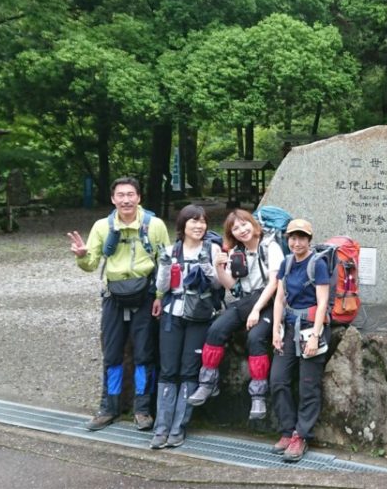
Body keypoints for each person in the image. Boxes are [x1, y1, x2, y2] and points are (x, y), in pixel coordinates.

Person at [67, 177, 170, 431]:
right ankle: (108, 408)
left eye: (130, 194)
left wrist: (160, 296)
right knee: (112, 354)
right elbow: (91, 264)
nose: (126, 200)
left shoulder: (154, 225)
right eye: (121, 195)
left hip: (145, 296)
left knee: (144, 354)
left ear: (139, 197)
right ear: (113, 199)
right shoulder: (102, 226)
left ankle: (142, 409)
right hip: (113, 297)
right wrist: (82, 256)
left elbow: (166, 262)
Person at [187, 209, 284, 421]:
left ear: (254, 224)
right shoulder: (237, 252)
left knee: (255, 337)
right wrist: (219, 268)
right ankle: (207, 383)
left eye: (244, 224)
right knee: (216, 329)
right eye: (236, 228)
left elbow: (274, 283)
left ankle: (258, 395)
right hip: (245, 302)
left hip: (268, 303)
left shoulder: (270, 246)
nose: (242, 230)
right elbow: (233, 287)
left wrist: (256, 310)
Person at [148, 205, 221, 449]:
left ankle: (178, 427)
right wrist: (165, 265)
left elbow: (218, 284)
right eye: (193, 221)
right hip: (173, 314)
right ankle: (161, 428)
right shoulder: (171, 251)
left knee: (190, 370)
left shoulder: (212, 249)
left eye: (202, 221)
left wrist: (206, 265)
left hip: (200, 316)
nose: (199, 226)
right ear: (183, 225)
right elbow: (162, 286)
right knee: (168, 370)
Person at [269, 219, 331, 462]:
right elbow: (279, 299)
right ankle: (287, 430)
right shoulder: (286, 263)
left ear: (309, 240)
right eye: (292, 238)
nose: (296, 243)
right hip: (289, 328)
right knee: (278, 380)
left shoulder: (318, 264)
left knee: (308, 385)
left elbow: (322, 302)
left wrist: (315, 335)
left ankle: (301, 435)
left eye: (301, 238)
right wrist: (275, 330)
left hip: (311, 328)